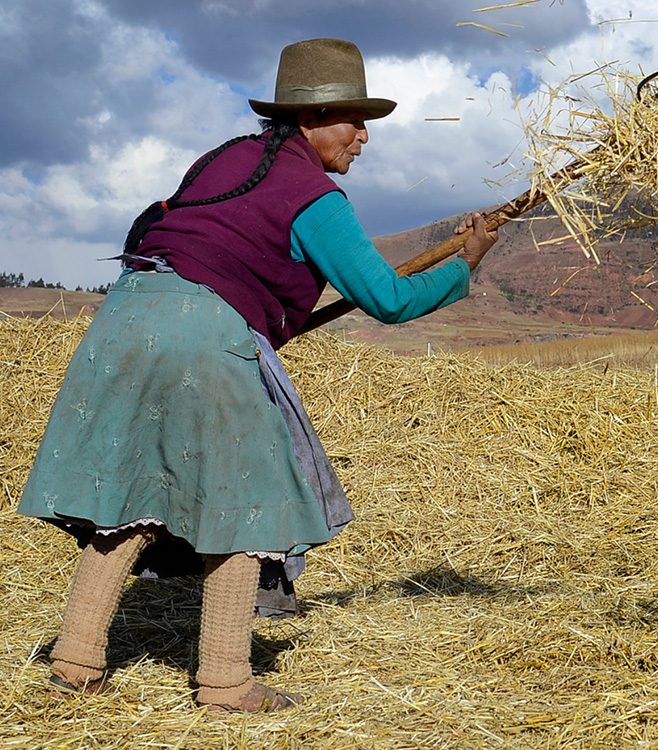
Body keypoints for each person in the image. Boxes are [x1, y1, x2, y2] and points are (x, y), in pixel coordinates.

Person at [17, 38, 498, 712]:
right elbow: (389, 299)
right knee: (243, 504)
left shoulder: (226, 160)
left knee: (134, 496)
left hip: (125, 318)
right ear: (311, 117)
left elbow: (193, 246)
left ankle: (74, 664)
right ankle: (224, 683)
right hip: (201, 334)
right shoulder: (315, 197)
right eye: (355, 121)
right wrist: (466, 264)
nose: (365, 138)